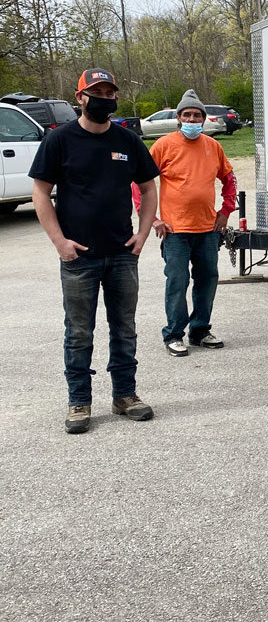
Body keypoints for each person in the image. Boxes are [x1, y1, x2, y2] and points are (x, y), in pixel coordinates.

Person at [29, 68, 159, 434]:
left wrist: (143, 232)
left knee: (125, 328)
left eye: (109, 92)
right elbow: (40, 192)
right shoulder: (60, 141)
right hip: (79, 257)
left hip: (121, 254)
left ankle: (125, 396)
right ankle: (79, 401)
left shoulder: (127, 140)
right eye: (96, 92)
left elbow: (148, 189)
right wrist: (60, 242)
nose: (104, 98)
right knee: (79, 332)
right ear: (80, 97)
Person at [147, 89, 236, 357]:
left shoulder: (213, 147)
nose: (192, 119)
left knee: (207, 279)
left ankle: (200, 330)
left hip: (208, 228)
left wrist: (226, 211)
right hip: (174, 230)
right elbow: (140, 184)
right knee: (177, 280)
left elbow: (229, 180)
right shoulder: (163, 146)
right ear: (178, 118)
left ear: (204, 119)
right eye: (187, 115)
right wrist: (153, 219)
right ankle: (174, 334)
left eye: (197, 115)